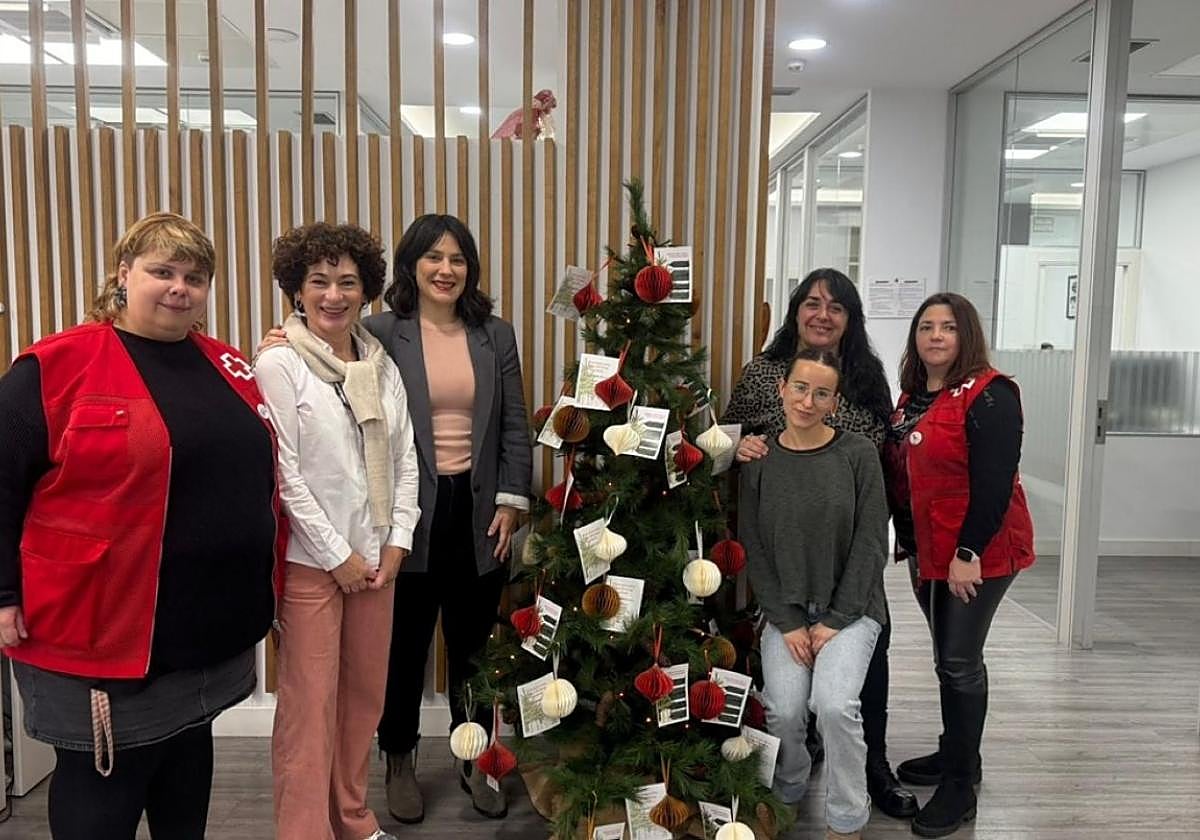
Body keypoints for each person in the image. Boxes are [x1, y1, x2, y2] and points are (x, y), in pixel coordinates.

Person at [0, 212, 283, 840]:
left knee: (185, 784)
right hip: (101, 633)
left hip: (205, 635)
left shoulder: (227, 365)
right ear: (123, 275)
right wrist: (1, 593)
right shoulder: (55, 367)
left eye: (195, 276)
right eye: (162, 271)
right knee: (106, 797)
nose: (179, 287)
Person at [723, 268, 917, 819]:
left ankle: (867, 771)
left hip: (848, 541)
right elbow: (733, 435)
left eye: (836, 307)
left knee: (850, 689)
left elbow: (884, 455)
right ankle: (794, 773)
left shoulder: (866, 379)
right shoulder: (764, 373)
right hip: (784, 544)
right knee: (787, 704)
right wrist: (746, 451)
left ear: (850, 319)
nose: (822, 314)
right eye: (812, 303)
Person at [364, 214, 532, 821]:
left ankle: (476, 758)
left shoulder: (495, 335)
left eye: (458, 258)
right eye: (433, 257)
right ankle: (400, 758)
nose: (446, 269)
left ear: (471, 269)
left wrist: (514, 500)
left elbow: (515, 424)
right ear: (412, 265)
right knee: (403, 648)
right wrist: (287, 338)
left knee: (473, 650)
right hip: (410, 514)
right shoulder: (379, 332)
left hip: (480, 512)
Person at [257, 223, 420, 840]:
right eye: (318, 282)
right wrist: (337, 555)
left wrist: (398, 540)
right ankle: (304, 830)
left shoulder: (380, 365)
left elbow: (406, 458)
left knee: (362, 701)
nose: (333, 294)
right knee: (308, 706)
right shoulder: (278, 364)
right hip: (310, 564)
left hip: (379, 559)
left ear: (366, 291)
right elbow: (284, 476)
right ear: (296, 291)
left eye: (347, 282)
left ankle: (352, 817)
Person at [882, 292, 1035, 838]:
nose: (936, 336)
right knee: (950, 657)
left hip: (978, 553)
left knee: (959, 660)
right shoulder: (913, 397)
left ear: (965, 334)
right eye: (926, 327)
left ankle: (961, 784)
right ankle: (954, 753)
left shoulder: (991, 394)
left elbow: (995, 483)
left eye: (948, 326)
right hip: (928, 551)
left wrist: (967, 554)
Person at [739, 348, 889, 840]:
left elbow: (871, 543)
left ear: (834, 402)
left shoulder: (858, 455)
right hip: (787, 612)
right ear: (781, 389)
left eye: (820, 393)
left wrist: (835, 619)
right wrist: (787, 621)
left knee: (834, 704)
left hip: (850, 610)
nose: (807, 400)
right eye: (800, 388)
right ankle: (790, 780)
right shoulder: (759, 459)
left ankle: (847, 813)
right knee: (782, 709)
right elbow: (754, 547)